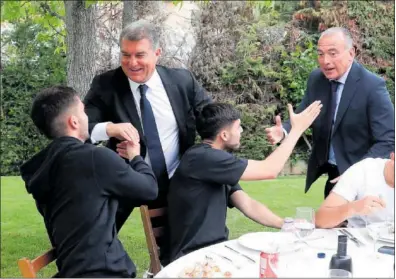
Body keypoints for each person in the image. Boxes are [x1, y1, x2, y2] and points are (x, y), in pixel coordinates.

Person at [83, 20, 210, 263]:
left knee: (176, 254)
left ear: (157, 53)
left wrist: (233, 128)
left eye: (140, 55)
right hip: (125, 177)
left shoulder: (182, 80)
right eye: (125, 55)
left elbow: (212, 116)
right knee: (94, 242)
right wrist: (109, 128)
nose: (132, 63)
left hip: (172, 180)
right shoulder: (106, 84)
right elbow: (81, 128)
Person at [20, 86, 158, 278]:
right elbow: (149, 190)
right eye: (84, 112)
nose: (88, 118)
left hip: (72, 271)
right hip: (104, 273)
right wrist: (135, 156)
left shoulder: (43, 168)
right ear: (74, 121)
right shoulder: (94, 158)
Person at [167, 101, 322, 261]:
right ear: (224, 135)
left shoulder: (212, 162)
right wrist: (296, 130)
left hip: (216, 252)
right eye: (238, 127)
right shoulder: (203, 158)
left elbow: (247, 204)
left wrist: (285, 223)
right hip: (194, 258)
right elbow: (269, 170)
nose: (241, 131)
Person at [265, 27, 394, 199]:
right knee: (329, 223)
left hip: (365, 177)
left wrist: (356, 173)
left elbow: (387, 140)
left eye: (333, 53)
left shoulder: (372, 86)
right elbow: (304, 114)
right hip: (334, 175)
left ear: (351, 53)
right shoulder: (317, 79)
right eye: (320, 54)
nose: (325, 61)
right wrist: (284, 131)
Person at [315, 153, 394, 228]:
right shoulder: (364, 170)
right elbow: (320, 220)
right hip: (359, 238)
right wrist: (353, 208)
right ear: (393, 156)